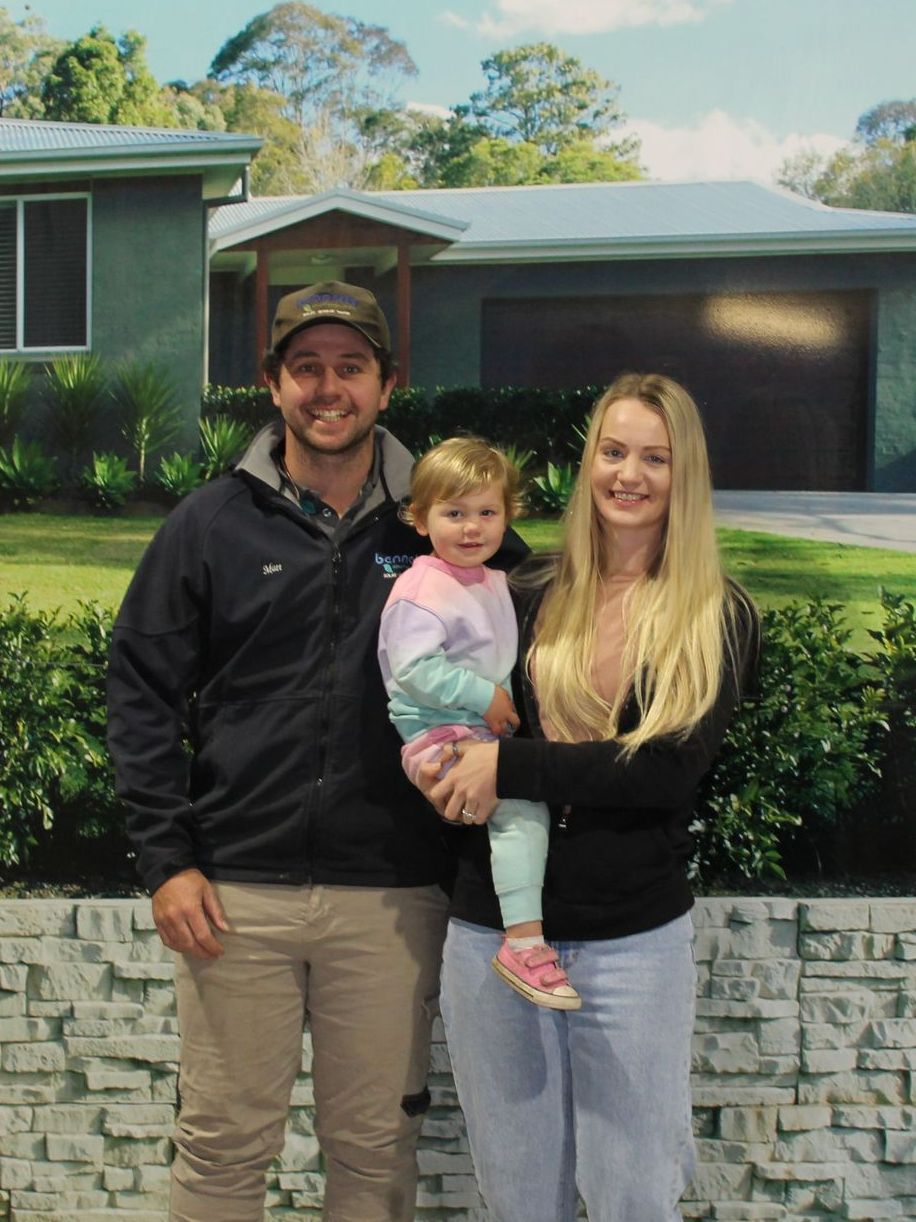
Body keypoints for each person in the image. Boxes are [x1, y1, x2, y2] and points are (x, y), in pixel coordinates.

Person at [107, 281, 524, 1222]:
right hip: (233, 895)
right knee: (219, 1147)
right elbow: (138, 691)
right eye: (305, 368)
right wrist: (167, 862)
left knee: (375, 1154)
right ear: (272, 384)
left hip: (390, 893)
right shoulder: (209, 524)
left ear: (388, 384)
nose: (326, 388)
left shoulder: (446, 527)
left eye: (350, 367)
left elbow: (535, 652)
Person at [423, 373, 759, 1221]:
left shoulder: (717, 613)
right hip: (494, 937)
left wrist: (509, 770)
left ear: (686, 475)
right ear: (589, 464)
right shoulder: (525, 591)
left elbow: (665, 771)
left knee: (633, 1199)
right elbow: (452, 709)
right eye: (613, 452)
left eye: (655, 457)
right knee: (519, 1199)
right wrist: (440, 766)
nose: (629, 475)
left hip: (634, 942)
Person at [378, 437, 580, 1010]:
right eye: (454, 513)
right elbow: (414, 669)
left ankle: (525, 930)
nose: (472, 528)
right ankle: (523, 942)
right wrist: (484, 697)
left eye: (486, 513)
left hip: (478, 731)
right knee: (520, 812)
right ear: (420, 519)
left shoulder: (492, 580)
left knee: (528, 808)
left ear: (508, 516)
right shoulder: (420, 589)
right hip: (437, 736)